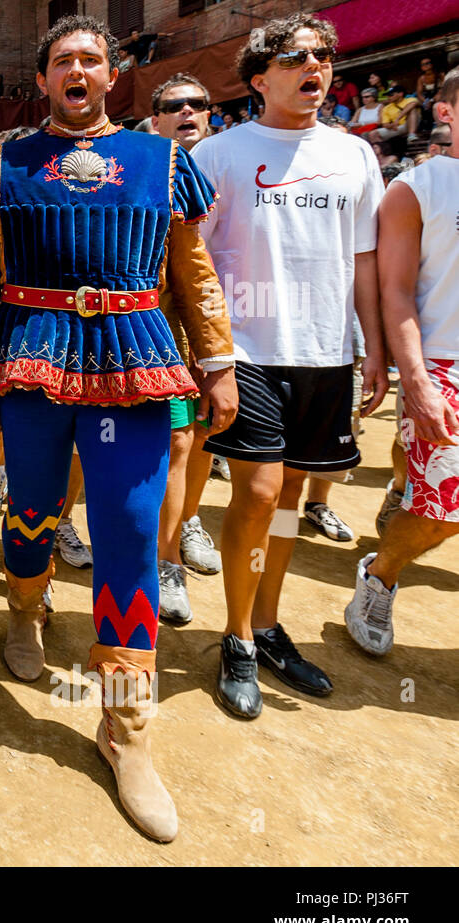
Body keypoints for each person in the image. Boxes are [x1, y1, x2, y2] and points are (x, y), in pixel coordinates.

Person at [0, 15, 237, 842]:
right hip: (29, 359)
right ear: (44, 79)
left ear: (112, 76)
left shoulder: (163, 161)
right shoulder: (3, 161)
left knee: (133, 534)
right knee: (30, 515)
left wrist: (219, 361)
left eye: (91, 59)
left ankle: (126, 729)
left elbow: (194, 272)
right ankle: (26, 610)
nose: (78, 69)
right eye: (63, 59)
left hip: (134, 359)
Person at [193, 13, 387, 720]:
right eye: (296, 56)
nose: (316, 65)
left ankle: (270, 626)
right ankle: (238, 637)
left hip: (327, 353)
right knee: (256, 492)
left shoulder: (356, 155)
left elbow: (364, 260)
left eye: (324, 55)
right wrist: (209, 354)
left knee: (287, 504)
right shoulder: (218, 156)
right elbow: (196, 263)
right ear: (258, 78)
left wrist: (374, 349)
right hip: (248, 347)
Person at [345, 67, 459, 655]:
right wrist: (413, 377)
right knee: (442, 516)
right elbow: (395, 289)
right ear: (447, 113)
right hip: (444, 361)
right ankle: (381, 572)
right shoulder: (420, 188)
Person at [149, 72, 224, 625]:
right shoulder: (143, 166)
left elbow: (204, 276)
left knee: (192, 441)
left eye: (198, 103)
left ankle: (179, 538)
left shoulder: (230, 161)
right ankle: (63, 529)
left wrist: (216, 350)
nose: (188, 111)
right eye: (175, 105)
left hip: (206, 336)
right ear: (156, 119)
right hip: (142, 338)